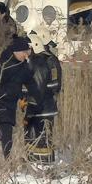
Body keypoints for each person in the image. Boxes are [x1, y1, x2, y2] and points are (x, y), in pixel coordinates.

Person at [0, 37, 39, 158]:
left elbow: (30, 83)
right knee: (6, 129)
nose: (26, 55)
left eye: (27, 52)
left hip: (10, 103)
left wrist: (36, 97)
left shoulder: (23, 65)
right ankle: (8, 161)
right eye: (24, 52)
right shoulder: (2, 64)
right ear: (17, 51)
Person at [24, 34, 62, 162]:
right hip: (46, 107)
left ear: (34, 47)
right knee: (43, 138)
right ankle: (43, 162)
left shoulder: (38, 63)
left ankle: (40, 163)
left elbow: (37, 89)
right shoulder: (43, 60)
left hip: (40, 109)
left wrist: (27, 104)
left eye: (27, 48)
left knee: (38, 139)